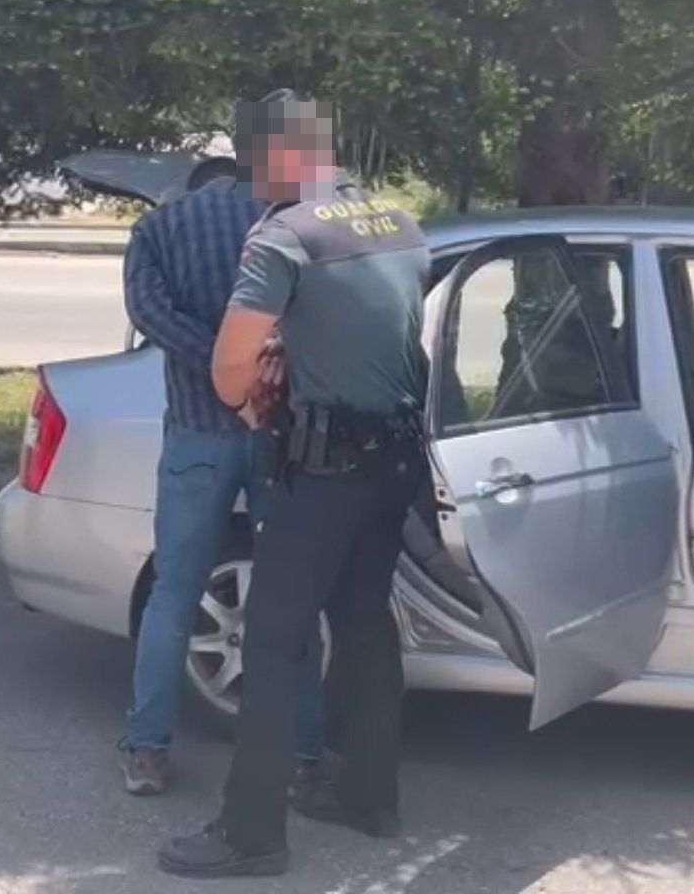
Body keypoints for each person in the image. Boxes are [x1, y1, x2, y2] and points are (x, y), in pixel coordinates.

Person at [160, 92, 431, 878]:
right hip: (394, 465)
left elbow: (230, 363)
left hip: (323, 472)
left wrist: (249, 410)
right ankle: (369, 799)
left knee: (274, 645)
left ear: (275, 156)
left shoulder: (287, 236)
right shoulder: (402, 223)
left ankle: (250, 835)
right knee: (364, 623)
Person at [118, 154, 327, 796]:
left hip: (195, 434)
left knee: (175, 593)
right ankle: (302, 752)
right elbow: (314, 312)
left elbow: (147, 316)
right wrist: (260, 362)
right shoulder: (285, 220)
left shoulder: (157, 229)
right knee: (290, 594)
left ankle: (148, 752)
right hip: (275, 432)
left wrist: (215, 359)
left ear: (193, 185)